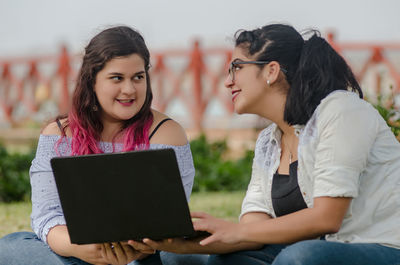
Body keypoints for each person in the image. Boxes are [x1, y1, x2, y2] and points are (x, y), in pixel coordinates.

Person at [135, 23, 400, 265]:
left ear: (271, 71)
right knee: (204, 260)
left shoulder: (340, 111)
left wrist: (236, 231)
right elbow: (254, 227)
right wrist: (188, 242)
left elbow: (327, 218)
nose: (227, 81)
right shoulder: (268, 142)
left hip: (379, 245)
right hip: (297, 253)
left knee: (301, 257)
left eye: (236, 67)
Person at [0, 26, 206, 265]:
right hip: (76, 253)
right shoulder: (58, 134)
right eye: (117, 78)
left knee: (184, 259)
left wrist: (131, 252)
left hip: (144, 257)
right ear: (92, 81)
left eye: (138, 77)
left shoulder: (167, 133)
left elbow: (166, 221)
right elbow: (47, 216)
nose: (129, 89)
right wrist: (83, 250)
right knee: (11, 247)